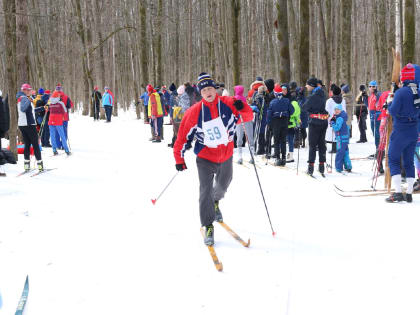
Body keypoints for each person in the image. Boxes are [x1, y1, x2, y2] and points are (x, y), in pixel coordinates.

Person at [173, 72, 252, 246]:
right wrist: (179, 159)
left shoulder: (228, 104)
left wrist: (243, 106)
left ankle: (216, 202)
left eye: (210, 88)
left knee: (224, 183)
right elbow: (182, 138)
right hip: (205, 158)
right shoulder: (194, 113)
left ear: (215, 90)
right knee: (205, 191)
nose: (208, 92)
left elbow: (248, 118)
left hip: (226, 155)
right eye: (204, 90)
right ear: (200, 93)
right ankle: (208, 225)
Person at [386, 64, 420, 203]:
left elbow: (392, 111)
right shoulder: (417, 91)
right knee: (408, 162)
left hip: (401, 129)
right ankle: (409, 193)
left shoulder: (401, 92)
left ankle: (399, 192)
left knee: (393, 158)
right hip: (413, 130)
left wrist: (388, 103)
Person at [303, 77, 329, 175]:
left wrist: (302, 98)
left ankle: (311, 168)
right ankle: (321, 166)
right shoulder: (322, 94)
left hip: (314, 122)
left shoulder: (313, 96)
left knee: (312, 145)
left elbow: (304, 107)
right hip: (323, 121)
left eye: (307, 84)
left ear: (312, 86)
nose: (306, 86)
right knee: (322, 144)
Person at [17, 84, 43, 171]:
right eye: (28, 90)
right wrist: (28, 100)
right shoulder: (24, 98)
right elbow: (23, 109)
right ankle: (40, 165)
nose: (29, 91)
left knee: (27, 144)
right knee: (36, 144)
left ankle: (26, 165)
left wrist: (42, 108)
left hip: (23, 124)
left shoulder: (22, 98)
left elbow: (30, 111)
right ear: (24, 90)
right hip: (28, 124)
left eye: (30, 90)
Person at [267, 84, 294, 166]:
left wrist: (269, 123)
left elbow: (269, 114)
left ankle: (278, 158)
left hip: (276, 122)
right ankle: (283, 158)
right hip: (285, 121)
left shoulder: (272, 102)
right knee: (283, 140)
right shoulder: (287, 101)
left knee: (276, 140)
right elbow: (292, 111)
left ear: (275, 93)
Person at [233, 85, 254, 164]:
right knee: (249, 137)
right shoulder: (244, 98)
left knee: (239, 138)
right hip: (247, 119)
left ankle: (240, 157)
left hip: (239, 120)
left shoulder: (235, 98)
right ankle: (252, 157)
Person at [46, 91, 71, 156]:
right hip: (58, 121)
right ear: (58, 97)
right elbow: (65, 111)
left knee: (52, 136)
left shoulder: (50, 103)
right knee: (62, 135)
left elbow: (48, 110)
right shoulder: (61, 103)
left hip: (51, 121)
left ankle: (54, 150)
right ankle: (66, 150)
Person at [330, 103, 352, 172]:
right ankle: (348, 166)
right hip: (344, 138)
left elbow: (337, 128)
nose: (336, 111)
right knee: (345, 152)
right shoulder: (342, 116)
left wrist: (333, 123)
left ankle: (338, 168)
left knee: (339, 153)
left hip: (341, 138)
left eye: (338, 110)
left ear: (341, 110)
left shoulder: (340, 118)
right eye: (335, 110)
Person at [325, 85, 346, 154]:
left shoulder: (330, 101)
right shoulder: (343, 100)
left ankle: (334, 148)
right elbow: (344, 110)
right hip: (340, 118)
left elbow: (327, 110)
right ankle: (339, 147)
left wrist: (328, 117)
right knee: (339, 132)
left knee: (333, 132)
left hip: (332, 118)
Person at [283, 84, 301, 163]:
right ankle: (282, 154)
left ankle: (290, 155)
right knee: (282, 139)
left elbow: (296, 111)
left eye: (284, 89)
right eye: (282, 89)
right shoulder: (280, 98)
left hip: (291, 123)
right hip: (282, 123)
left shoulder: (293, 100)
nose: (283, 91)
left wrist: (289, 114)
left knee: (290, 139)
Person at [367, 80, 382, 151]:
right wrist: (364, 98)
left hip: (377, 115)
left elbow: (380, 106)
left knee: (377, 133)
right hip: (371, 115)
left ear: (376, 87)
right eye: (370, 86)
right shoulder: (370, 95)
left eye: (373, 86)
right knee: (373, 132)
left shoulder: (378, 94)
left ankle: (380, 150)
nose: (371, 88)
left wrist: (377, 114)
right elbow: (368, 105)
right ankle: (378, 149)